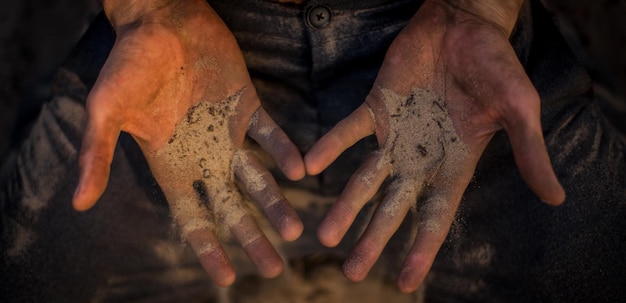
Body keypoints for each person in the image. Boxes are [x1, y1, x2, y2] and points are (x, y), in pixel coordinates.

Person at [1, 0, 624, 301]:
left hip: (444, 54)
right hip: (192, 53)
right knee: (32, 269)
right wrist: (147, 11)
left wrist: (476, 10)